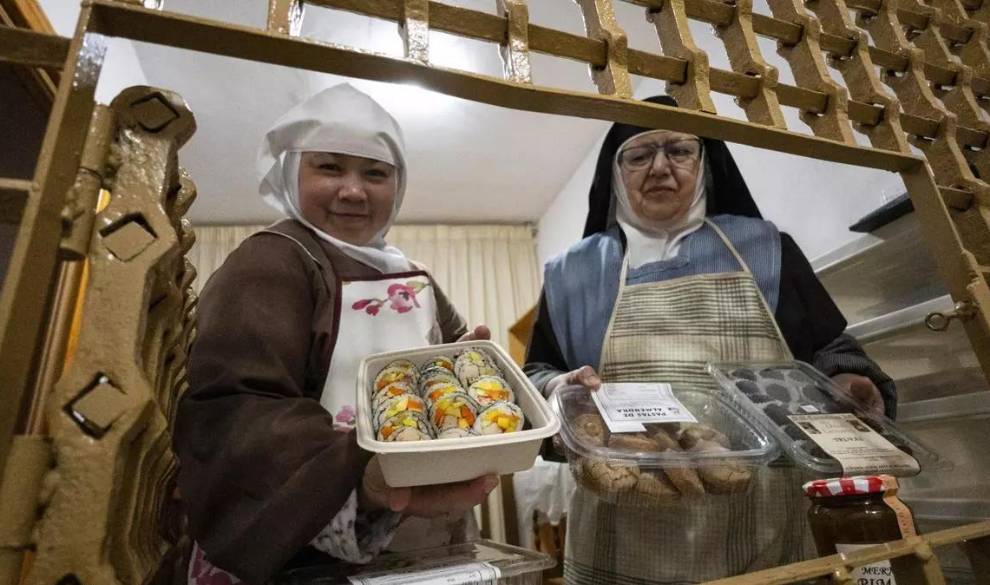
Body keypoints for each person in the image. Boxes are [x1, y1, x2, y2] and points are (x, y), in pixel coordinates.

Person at [524, 95, 895, 584]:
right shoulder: (571, 271)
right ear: (615, 173)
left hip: (767, 514)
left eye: (679, 151)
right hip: (625, 517)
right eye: (639, 155)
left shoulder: (766, 247)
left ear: (706, 164)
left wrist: (849, 377)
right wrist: (562, 391)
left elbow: (828, 346)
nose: (659, 168)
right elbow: (536, 375)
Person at [173, 84, 497, 585]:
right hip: (304, 555)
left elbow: (464, 368)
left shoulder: (415, 276)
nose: (353, 190)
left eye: (375, 173)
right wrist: (362, 477)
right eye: (329, 168)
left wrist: (508, 382)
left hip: (425, 544)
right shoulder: (271, 261)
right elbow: (238, 408)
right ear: (289, 172)